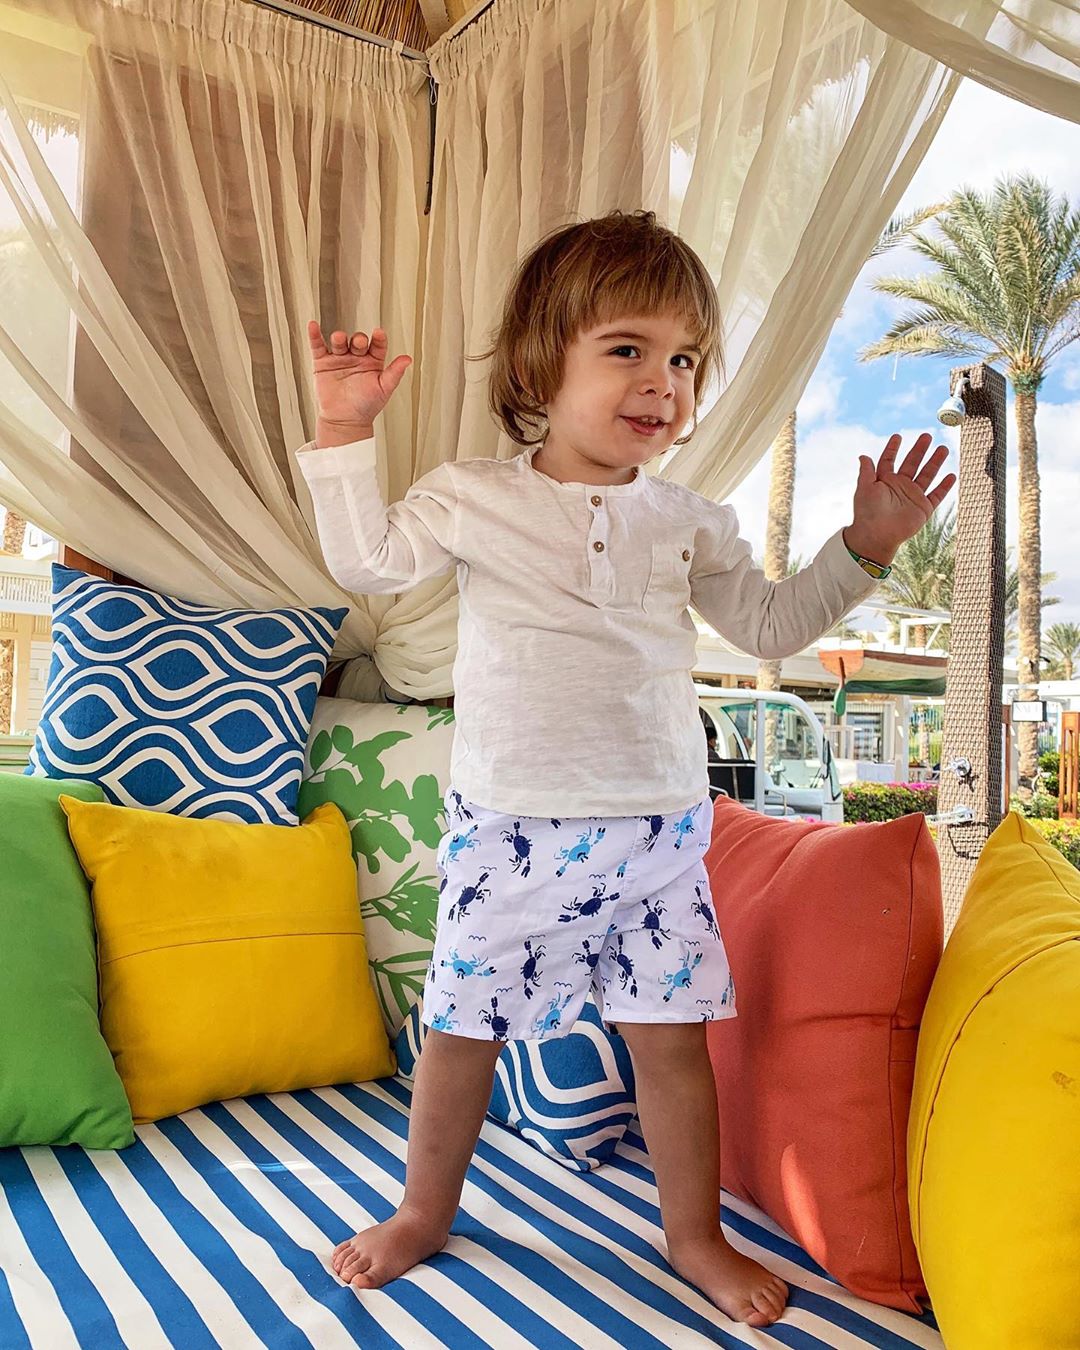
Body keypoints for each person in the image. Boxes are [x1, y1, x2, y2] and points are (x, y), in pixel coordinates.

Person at [296, 210, 955, 1328]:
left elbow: (769, 626)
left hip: (657, 836)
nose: (665, 382)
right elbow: (366, 559)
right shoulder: (473, 495)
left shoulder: (690, 522)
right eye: (628, 349)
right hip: (509, 829)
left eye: (686, 359)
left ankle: (692, 1237)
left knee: (672, 1045)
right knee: (460, 1035)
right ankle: (422, 1212)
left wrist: (866, 549)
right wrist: (342, 428)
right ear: (539, 365)